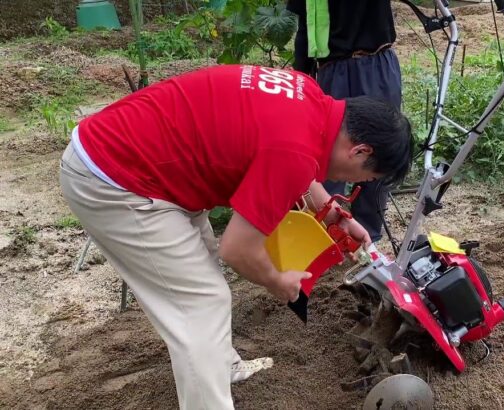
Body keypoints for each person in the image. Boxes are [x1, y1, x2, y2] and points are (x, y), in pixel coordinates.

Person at [58, 63, 413, 409]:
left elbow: (286, 152)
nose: (358, 183)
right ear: (360, 151)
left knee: (202, 270)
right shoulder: (294, 151)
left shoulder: (308, 96)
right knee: (202, 302)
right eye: (364, 177)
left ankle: (219, 367)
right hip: (115, 178)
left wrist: (333, 213)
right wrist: (278, 280)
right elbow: (239, 250)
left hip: (142, 156)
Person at [287, 0, 402, 244]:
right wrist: (301, 77)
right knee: (325, 157)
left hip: (376, 61)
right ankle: (325, 238)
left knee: (379, 152)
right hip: (332, 68)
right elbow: (306, 24)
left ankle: (369, 238)